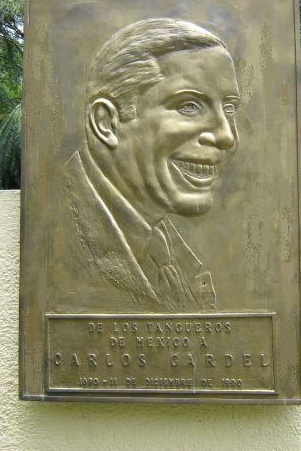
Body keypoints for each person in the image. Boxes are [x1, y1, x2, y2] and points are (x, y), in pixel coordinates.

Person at [63, 18, 240, 311]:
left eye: (230, 107)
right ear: (107, 123)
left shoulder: (169, 254)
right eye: (189, 106)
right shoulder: (57, 234)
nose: (226, 136)